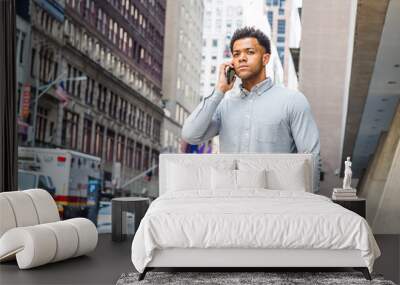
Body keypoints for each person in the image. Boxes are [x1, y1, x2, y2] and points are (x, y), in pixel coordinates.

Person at [181, 27, 321, 192]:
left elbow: (310, 159)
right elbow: (190, 135)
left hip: (276, 203)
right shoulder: (224, 105)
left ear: (265, 58)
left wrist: (306, 204)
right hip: (231, 200)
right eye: (236, 54)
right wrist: (219, 90)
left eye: (250, 52)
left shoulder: (293, 101)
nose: (241, 58)